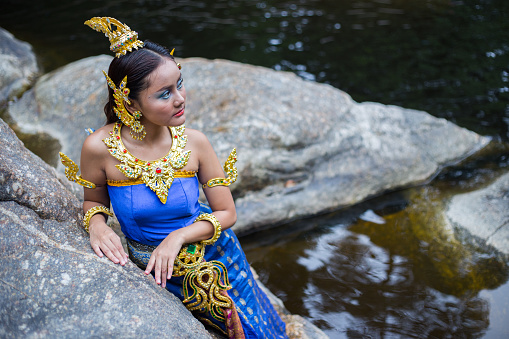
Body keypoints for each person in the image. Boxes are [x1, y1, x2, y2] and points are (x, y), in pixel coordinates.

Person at [59, 17, 288, 338]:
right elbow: (93, 201)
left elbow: (227, 212)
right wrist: (97, 225)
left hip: (216, 254)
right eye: (164, 94)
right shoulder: (99, 147)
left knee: (256, 330)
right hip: (153, 264)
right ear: (130, 103)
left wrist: (177, 237)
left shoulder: (195, 142)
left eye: (179, 84)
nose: (180, 98)